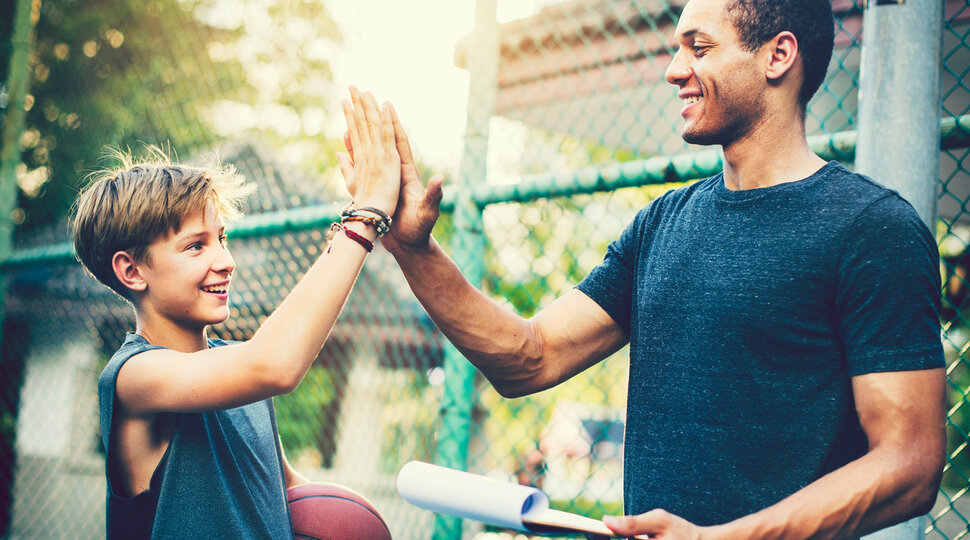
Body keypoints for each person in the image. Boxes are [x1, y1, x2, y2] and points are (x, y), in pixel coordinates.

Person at [343, 0, 946, 537]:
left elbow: (909, 463)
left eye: (699, 48)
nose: (674, 69)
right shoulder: (663, 223)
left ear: (778, 55)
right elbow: (530, 356)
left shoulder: (872, 229)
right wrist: (413, 251)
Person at [73, 88, 400, 538]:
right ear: (131, 270)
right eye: (196, 246)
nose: (225, 260)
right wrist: (364, 216)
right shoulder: (133, 378)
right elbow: (272, 365)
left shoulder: (244, 379)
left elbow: (281, 497)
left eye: (221, 238)